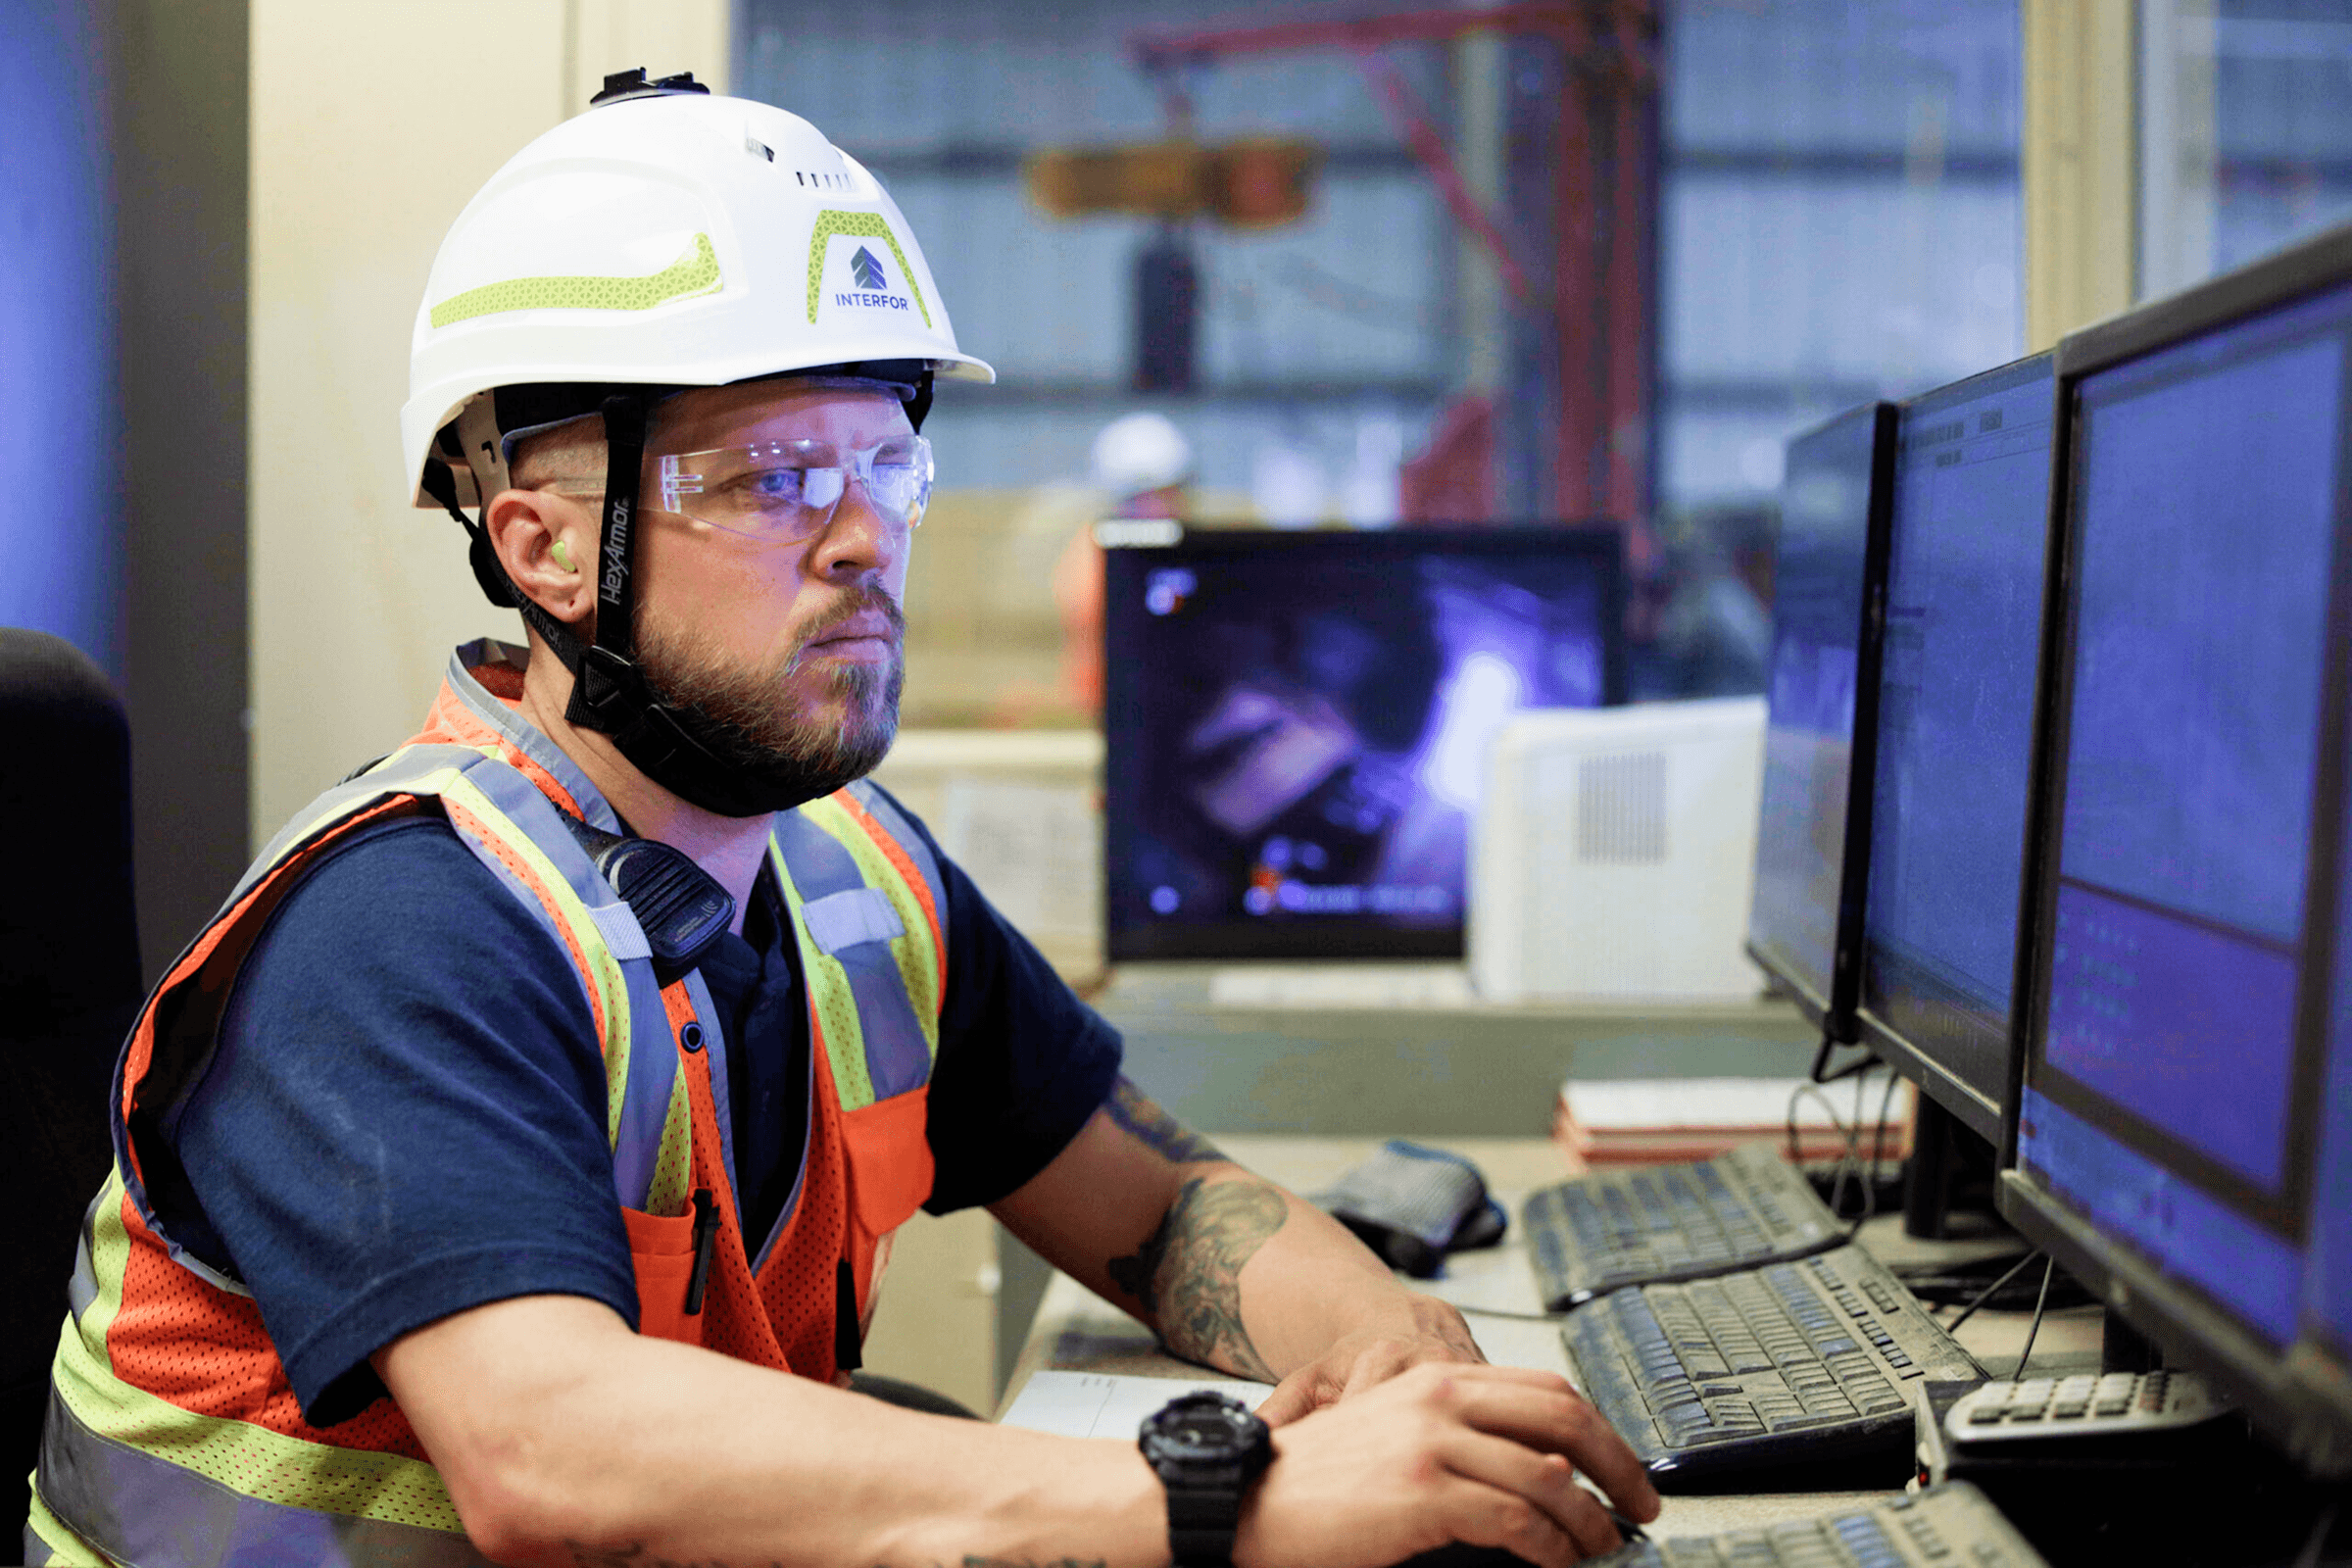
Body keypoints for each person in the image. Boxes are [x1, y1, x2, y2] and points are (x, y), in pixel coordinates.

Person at [27, 76, 1659, 1568]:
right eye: (772, 478)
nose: (866, 538)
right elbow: (551, 1457)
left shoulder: (858, 881)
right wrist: (1242, 1497)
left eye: (886, 465)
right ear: (543, 549)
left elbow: (1163, 1209)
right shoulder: (399, 930)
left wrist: (1390, 1370)